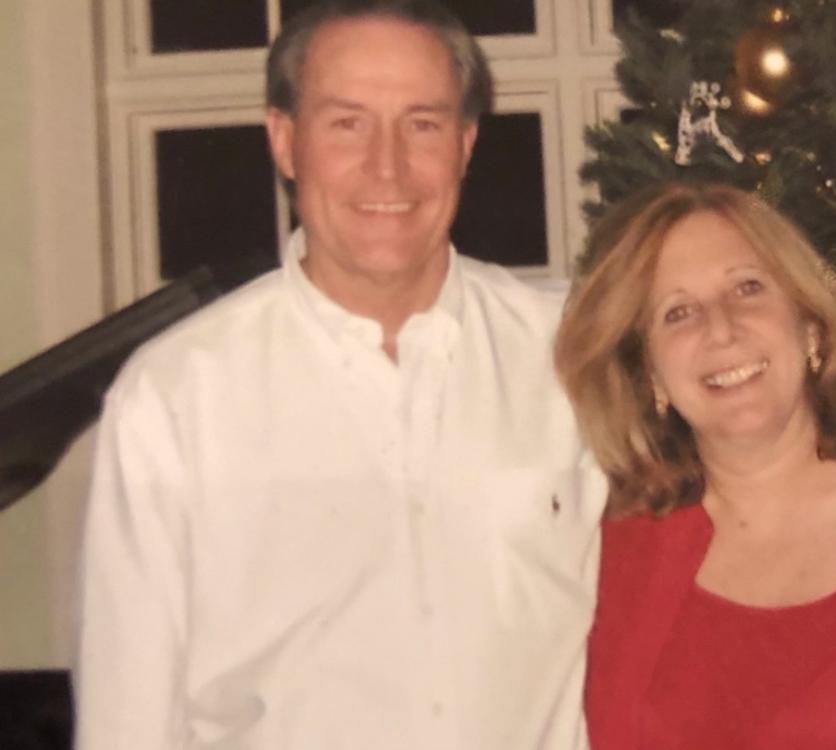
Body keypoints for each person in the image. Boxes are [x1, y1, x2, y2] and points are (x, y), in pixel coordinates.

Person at [73, 2, 606, 748]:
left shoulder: (571, 356)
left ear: (465, 143)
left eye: (421, 123)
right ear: (285, 141)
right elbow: (127, 717)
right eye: (347, 122)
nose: (386, 166)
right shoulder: (175, 397)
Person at [555, 181, 836, 749]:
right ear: (651, 376)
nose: (720, 328)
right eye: (678, 312)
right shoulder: (618, 543)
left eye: (747, 288)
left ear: (810, 325)